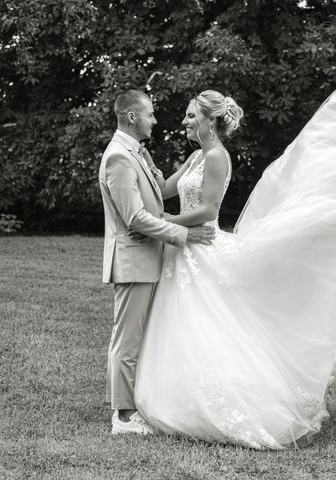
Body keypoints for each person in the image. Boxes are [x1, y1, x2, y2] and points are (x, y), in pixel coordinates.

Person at [132, 27, 336, 449]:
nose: (185, 120)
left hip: (200, 245)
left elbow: (209, 211)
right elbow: (166, 188)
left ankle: (227, 402)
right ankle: (173, 395)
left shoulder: (216, 157)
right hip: (184, 248)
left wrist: (164, 219)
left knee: (209, 328)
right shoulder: (195, 155)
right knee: (185, 327)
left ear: (210, 120)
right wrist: (138, 165)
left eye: (192, 115)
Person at [98, 90, 215, 435]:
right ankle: (122, 416)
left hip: (148, 257)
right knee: (128, 339)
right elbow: (135, 217)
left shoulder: (135, 154)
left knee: (139, 337)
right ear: (132, 116)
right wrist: (184, 235)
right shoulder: (119, 156)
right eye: (150, 113)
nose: (155, 119)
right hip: (134, 258)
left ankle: (136, 405)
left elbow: (157, 195)